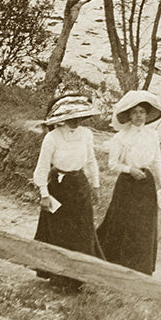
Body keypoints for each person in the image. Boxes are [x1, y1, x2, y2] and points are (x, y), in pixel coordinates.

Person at [32, 93, 104, 289]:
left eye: (80, 117)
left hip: (80, 187)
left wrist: (95, 186)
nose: (76, 121)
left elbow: (91, 161)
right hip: (59, 189)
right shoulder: (52, 138)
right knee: (59, 233)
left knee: (82, 233)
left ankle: (79, 280)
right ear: (62, 118)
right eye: (71, 117)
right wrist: (45, 194)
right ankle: (59, 278)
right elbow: (42, 167)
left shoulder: (86, 135)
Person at [96, 90, 161, 275]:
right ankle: (118, 263)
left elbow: (157, 160)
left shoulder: (152, 135)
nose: (138, 116)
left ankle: (141, 267)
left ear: (147, 114)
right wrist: (130, 169)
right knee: (124, 223)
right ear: (128, 115)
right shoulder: (120, 137)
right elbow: (112, 164)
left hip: (146, 184)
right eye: (134, 112)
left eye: (142, 112)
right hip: (127, 184)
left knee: (144, 225)